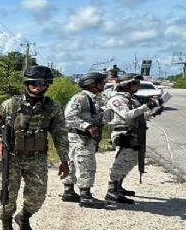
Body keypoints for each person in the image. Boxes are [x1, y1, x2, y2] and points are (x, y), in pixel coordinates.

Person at [0, 66, 70, 230]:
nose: (37, 86)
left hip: (37, 158)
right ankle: (7, 226)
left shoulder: (53, 108)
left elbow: (60, 134)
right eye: (33, 82)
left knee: (37, 197)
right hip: (13, 156)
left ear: (47, 85)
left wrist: (64, 160)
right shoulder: (11, 105)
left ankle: (23, 217)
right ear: (27, 83)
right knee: (8, 195)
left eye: (42, 83)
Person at [104, 74, 159, 204]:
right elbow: (127, 115)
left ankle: (119, 187)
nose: (137, 86)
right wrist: (146, 106)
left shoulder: (131, 99)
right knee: (121, 162)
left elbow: (139, 116)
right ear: (125, 85)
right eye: (134, 83)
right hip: (123, 132)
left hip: (134, 132)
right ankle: (112, 191)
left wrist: (152, 111)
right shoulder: (117, 99)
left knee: (131, 160)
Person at [61, 72, 108, 208]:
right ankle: (85, 196)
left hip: (81, 137)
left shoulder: (92, 99)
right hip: (81, 137)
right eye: (100, 82)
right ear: (92, 84)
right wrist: (87, 126)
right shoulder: (81, 98)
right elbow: (69, 116)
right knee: (86, 164)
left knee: (73, 163)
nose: (103, 85)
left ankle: (69, 191)